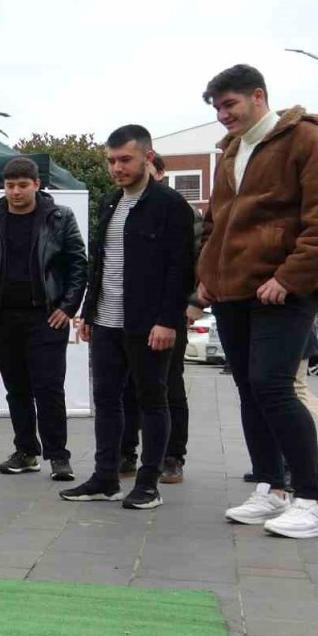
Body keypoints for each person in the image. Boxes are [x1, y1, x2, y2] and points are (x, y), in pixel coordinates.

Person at [198, 64, 318, 538]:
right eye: (217, 108)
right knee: (248, 387)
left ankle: (315, 501)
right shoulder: (231, 151)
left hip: (282, 289)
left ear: (258, 96)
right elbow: (215, 225)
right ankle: (272, 488)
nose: (223, 116)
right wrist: (205, 278)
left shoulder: (308, 139)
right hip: (232, 291)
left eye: (230, 105)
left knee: (273, 386)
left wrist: (291, 277)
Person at [64, 125, 194, 510]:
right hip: (105, 322)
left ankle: (148, 483)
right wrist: (88, 311)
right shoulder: (110, 203)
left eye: (125, 160)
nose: (117, 168)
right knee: (106, 399)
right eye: (111, 161)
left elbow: (181, 268)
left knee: (153, 400)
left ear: (147, 158)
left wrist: (168, 320)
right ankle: (105, 477)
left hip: (149, 324)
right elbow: (99, 264)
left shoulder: (170, 205)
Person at [0, 157, 87, 480]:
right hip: (1, 318)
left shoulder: (59, 217)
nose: (16, 192)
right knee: (16, 389)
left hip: (46, 317)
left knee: (48, 388)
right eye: (10, 186)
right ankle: (25, 451)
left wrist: (68, 307)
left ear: (37, 185)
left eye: (22, 185)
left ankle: (58, 456)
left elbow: (78, 264)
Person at [120, 151, 199, 485]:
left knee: (169, 386)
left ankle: (171, 456)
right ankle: (125, 452)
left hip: (169, 314)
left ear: (159, 171)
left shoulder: (179, 209)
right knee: (127, 386)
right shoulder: (120, 205)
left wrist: (192, 304)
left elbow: (190, 260)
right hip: (127, 313)